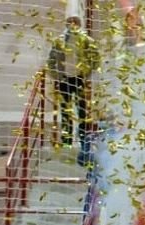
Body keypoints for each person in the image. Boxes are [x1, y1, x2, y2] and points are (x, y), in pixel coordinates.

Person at [46, 15, 99, 148]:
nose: (72, 25)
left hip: (79, 78)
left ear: (79, 25)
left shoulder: (87, 40)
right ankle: (67, 141)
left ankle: (83, 141)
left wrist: (88, 73)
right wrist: (56, 75)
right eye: (70, 22)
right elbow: (51, 60)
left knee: (82, 111)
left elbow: (96, 57)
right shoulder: (59, 41)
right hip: (64, 79)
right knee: (65, 111)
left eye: (75, 22)